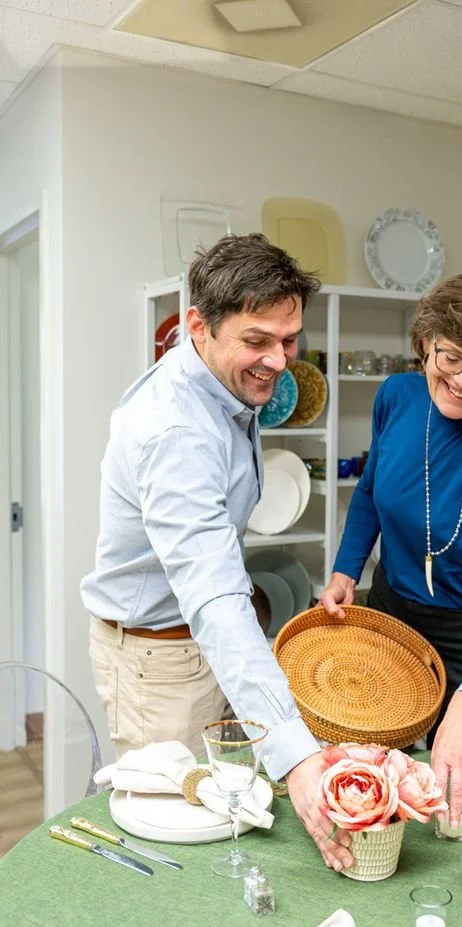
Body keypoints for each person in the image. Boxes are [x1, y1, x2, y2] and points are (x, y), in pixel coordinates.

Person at [81, 233, 353, 871]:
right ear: (199, 326)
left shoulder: (215, 380)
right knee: (176, 861)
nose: (279, 361)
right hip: (160, 664)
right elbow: (215, 599)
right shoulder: (177, 431)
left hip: (192, 646)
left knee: (229, 826)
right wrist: (301, 757)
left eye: (289, 341)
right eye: (257, 341)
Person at [318, 268, 462, 831]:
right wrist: (347, 569)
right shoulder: (395, 398)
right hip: (392, 614)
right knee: (367, 790)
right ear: (427, 341)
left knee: (458, 815)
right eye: (453, 358)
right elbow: (371, 490)